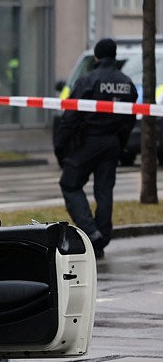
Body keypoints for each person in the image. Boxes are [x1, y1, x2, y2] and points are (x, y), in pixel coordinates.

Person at [54, 38, 137, 259]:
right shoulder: (127, 83)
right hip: (112, 144)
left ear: (98, 57)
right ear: (115, 55)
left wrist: (60, 145)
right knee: (104, 191)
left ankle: (90, 232)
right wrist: (121, 143)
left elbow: (70, 116)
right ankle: (101, 239)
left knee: (69, 184)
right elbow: (130, 119)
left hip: (87, 142)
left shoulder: (87, 80)